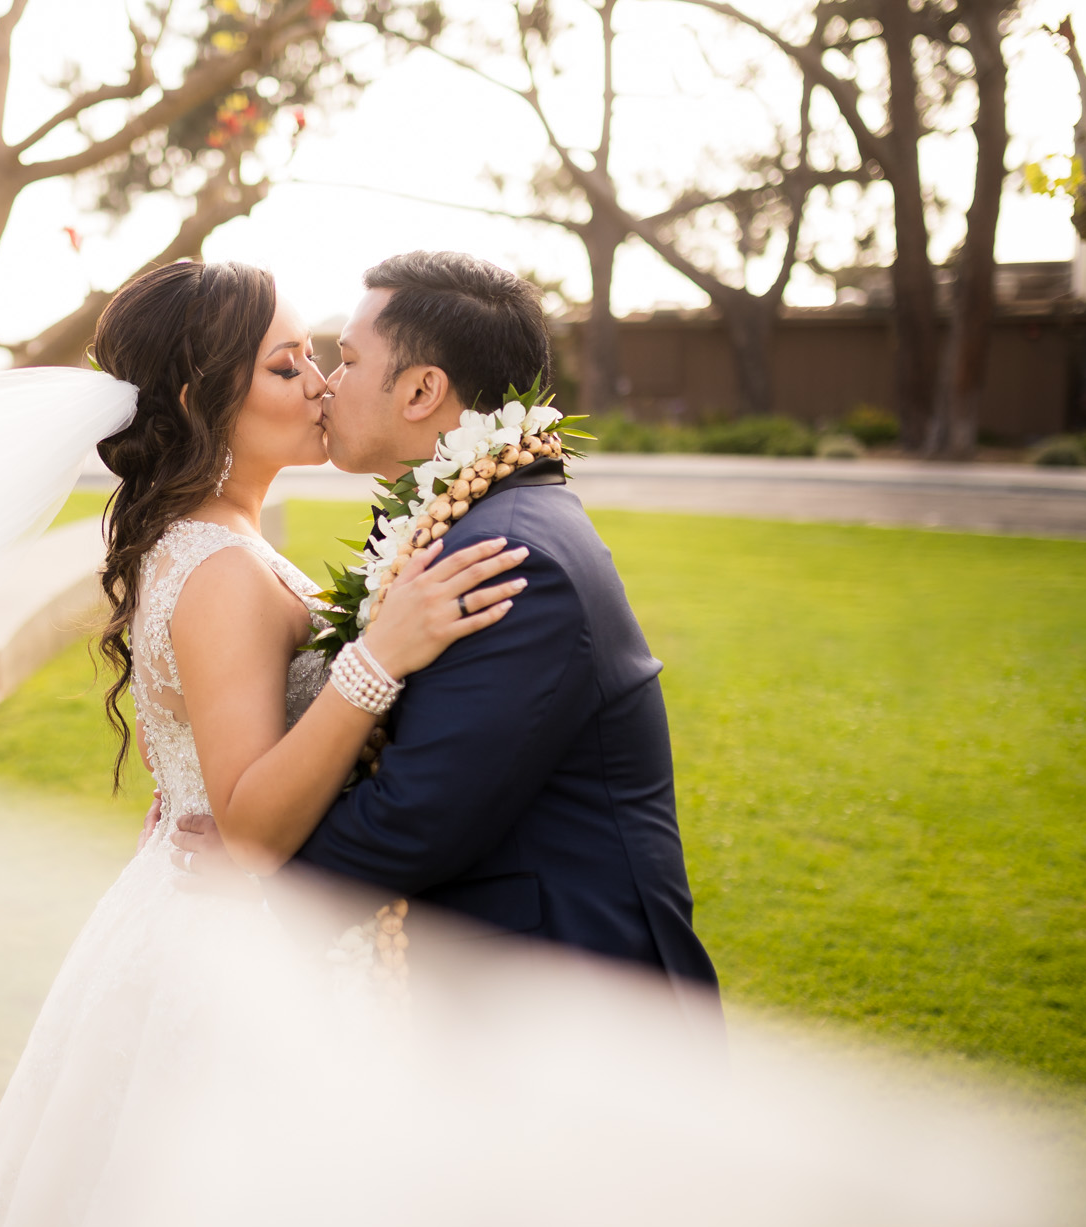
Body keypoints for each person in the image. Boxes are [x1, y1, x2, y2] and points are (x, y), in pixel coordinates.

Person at [0, 258, 534, 1227]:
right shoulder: (216, 567)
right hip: (222, 963)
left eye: (318, 356)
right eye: (286, 364)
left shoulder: (219, 546)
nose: (321, 381)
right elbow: (248, 828)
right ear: (196, 400)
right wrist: (379, 653)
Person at [172, 251, 721, 1000]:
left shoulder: (512, 557)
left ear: (424, 389)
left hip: (578, 1003)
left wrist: (256, 866)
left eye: (348, 359)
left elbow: (411, 818)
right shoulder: (459, 526)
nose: (327, 383)